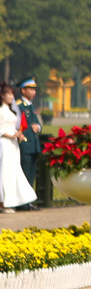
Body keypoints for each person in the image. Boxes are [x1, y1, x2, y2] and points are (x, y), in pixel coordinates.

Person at [0, 83, 38, 213]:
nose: (11, 96)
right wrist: (9, 135)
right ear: (2, 95)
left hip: (13, 144)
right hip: (4, 143)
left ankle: (14, 200)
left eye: (12, 94)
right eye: (8, 94)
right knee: (4, 172)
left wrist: (18, 134)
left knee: (13, 172)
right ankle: (3, 202)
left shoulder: (11, 110)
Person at [16, 77, 43, 205]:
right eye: (31, 89)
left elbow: (37, 124)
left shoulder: (31, 106)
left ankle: (28, 201)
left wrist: (38, 128)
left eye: (34, 89)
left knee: (31, 175)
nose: (34, 92)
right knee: (25, 175)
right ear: (23, 90)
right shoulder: (19, 106)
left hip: (34, 146)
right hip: (25, 146)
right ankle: (23, 202)